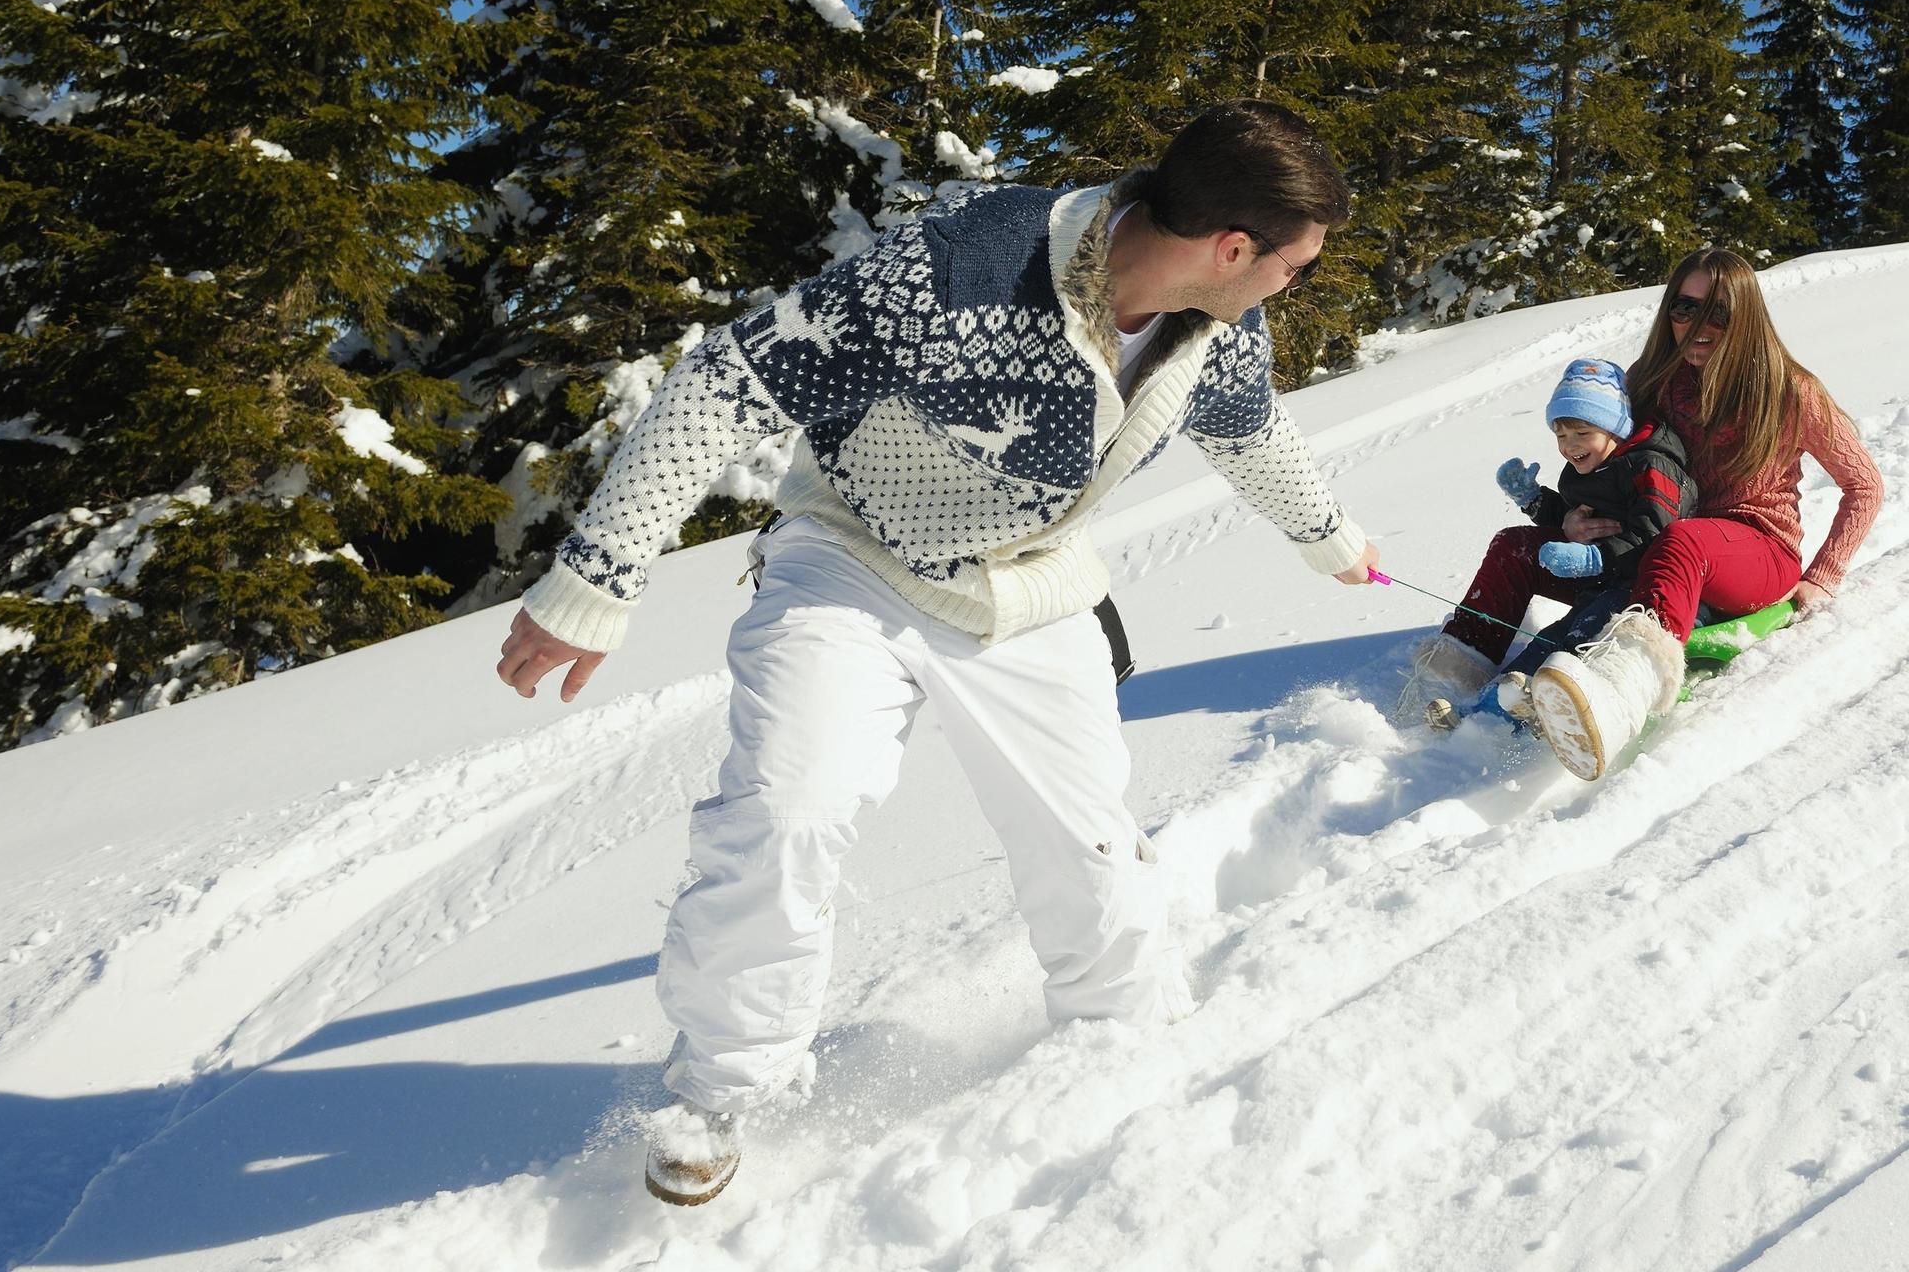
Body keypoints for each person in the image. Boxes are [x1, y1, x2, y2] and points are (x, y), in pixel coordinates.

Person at [490, 101, 1380, 1207]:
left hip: (1029, 584)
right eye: (1291, 267)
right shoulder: (964, 269)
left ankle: (1122, 1041)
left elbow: (1250, 432)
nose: (1290, 288)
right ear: (1230, 246)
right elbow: (726, 380)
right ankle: (723, 1086)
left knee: (1089, 843)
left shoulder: (1220, 328)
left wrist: (1329, 541)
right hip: (855, 556)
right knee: (788, 807)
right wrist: (596, 577)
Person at [1445, 247, 1884, 782]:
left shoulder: (1789, 390)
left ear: (1744, 314)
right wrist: (1571, 522)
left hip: (1753, 551)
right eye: (1684, 308)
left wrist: (1824, 575)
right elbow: (1604, 456)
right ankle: (1454, 674)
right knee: (1516, 547)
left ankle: (1625, 687)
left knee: (1684, 541)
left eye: (1717, 312)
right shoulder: (1652, 380)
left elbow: (1863, 484)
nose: (1697, 325)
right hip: (1648, 543)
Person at [1400, 357, 1697, 727]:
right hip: (1603, 578)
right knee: (1518, 554)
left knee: (1568, 632)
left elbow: (1657, 537)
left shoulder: (1652, 466)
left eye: (1582, 433)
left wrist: (1595, 559)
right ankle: (1474, 687)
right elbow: (1576, 520)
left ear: (1614, 427)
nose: (1570, 446)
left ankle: (1521, 700)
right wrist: (1536, 500)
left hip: (1641, 589)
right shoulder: (1587, 466)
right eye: (1561, 435)